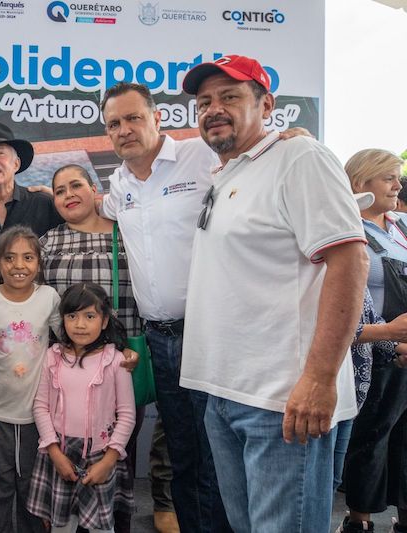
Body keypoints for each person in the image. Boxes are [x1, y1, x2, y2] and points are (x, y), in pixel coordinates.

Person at [179, 54, 368, 532]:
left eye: (230, 97)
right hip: (224, 394)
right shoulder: (227, 173)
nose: (213, 109)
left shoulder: (300, 157)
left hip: (283, 402)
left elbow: (349, 261)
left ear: (267, 105)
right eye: (204, 102)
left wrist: (320, 379)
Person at [99, 81, 228, 532]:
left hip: (210, 332)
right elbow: (103, 209)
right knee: (182, 450)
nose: (125, 129)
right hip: (161, 337)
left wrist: (291, 141)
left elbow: (256, 160)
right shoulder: (119, 183)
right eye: (114, 123)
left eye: (134, 118)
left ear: (157, 119)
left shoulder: (202, 156)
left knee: (217, 451)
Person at [40, 163, 176, 533]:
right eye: (59, 190)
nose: (68, 195)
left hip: (122, 361)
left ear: (95, 189)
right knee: (66, 459)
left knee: (118, 456)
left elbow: (152, 291)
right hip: (66, 369)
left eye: (76, 185)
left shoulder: (125, 233)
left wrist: (138, 345)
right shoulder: (49, 241)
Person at [27, 282, 135, 533]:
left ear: (105, 321)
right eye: (72, 316)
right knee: (61, 526)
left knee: (101, 527)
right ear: (62, 319)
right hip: (60, 453)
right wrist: (54, 452)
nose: (80, 324)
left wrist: (108, 461)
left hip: (101, 454)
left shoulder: (115, 361)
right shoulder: (52, 357)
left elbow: (127, 415)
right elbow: (41, 406)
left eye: (90, 316)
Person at [338, 148, 407, 533]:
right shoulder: (349, 231)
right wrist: (391, 343)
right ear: (361, 183)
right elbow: (351, 303)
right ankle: (359, 520)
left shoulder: (400, 226)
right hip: (372, 354)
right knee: (371, 439)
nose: (398, 184)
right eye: (388, 178)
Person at [0, 225, 61, 533]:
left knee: (32, 491)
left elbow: (69, 343)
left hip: (36, 417)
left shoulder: (48, 297)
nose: (19, 266)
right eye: (10, 258)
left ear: (38, 263)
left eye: (28, 257)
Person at [0, 121, 63, 289]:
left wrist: (58, 198)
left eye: (0, 154)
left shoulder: (43, 203)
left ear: (16, 164)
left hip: (38, 308)